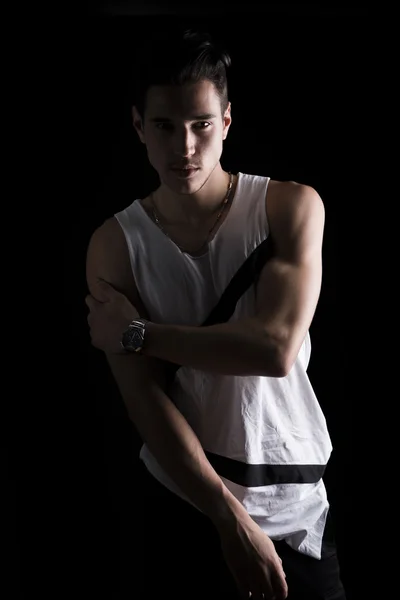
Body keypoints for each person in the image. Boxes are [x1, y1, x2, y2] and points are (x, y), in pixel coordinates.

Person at [85, 27, 347, 600]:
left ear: (226, 121)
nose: (184, 147)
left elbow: (273, 350)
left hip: (295, 501)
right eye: (164, 126)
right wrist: (227, 518)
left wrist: (137, 334)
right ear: (138, 127)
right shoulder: (114, 246)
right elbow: (145, 404)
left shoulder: (287, 207)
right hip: (185, 501)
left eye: (201, 125)